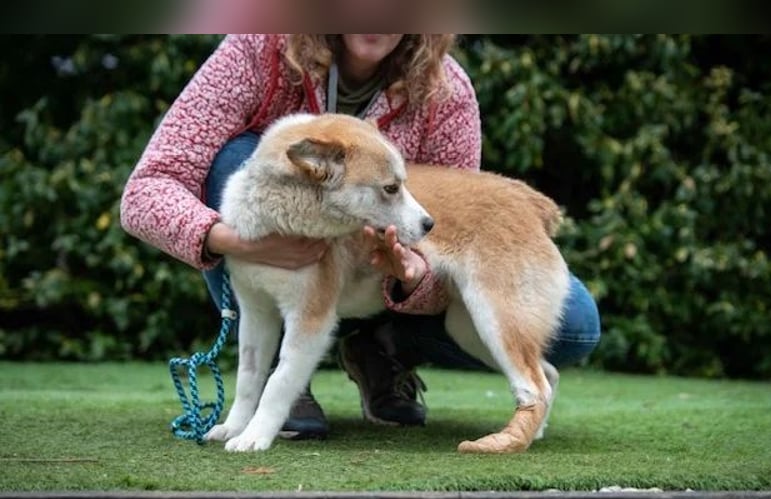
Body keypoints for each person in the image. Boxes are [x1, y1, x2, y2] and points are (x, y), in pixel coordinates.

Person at [120, 34, 600, 441]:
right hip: (261, 247)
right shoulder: (257, 48)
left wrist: (414, 278)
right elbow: (146, 191)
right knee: (241, 159)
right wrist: (231, 240)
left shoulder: (444, 89)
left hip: (372, 282)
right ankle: (275, 384)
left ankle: (382, 349)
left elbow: (440, 223)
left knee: (575, 326)